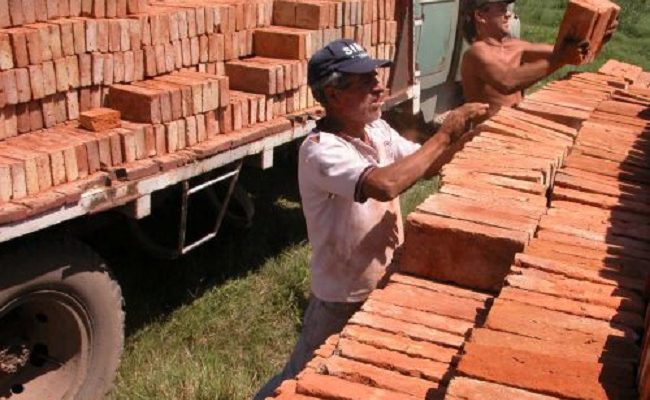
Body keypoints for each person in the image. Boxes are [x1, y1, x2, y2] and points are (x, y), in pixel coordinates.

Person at [253, 38, 487, 399]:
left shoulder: (376, 130)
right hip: (341, 297)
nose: (380, 86)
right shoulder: (321, 150)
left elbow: (419, 166)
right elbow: (385, 185)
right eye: (365, 82)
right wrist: (445, 133)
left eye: (376, 76)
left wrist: (468, 139)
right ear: (333, 94)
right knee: (298, 380)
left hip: (384, 284)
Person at [460, 0, 616, 111]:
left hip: (514, 129)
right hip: (486, 137)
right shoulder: (476, 53)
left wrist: (597, 37)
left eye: (507, 8)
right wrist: (561, 58)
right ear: (480, 15)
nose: (508, 14)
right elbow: (506, 81)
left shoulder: (516, 47)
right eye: (501, 9)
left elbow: (570, 54)